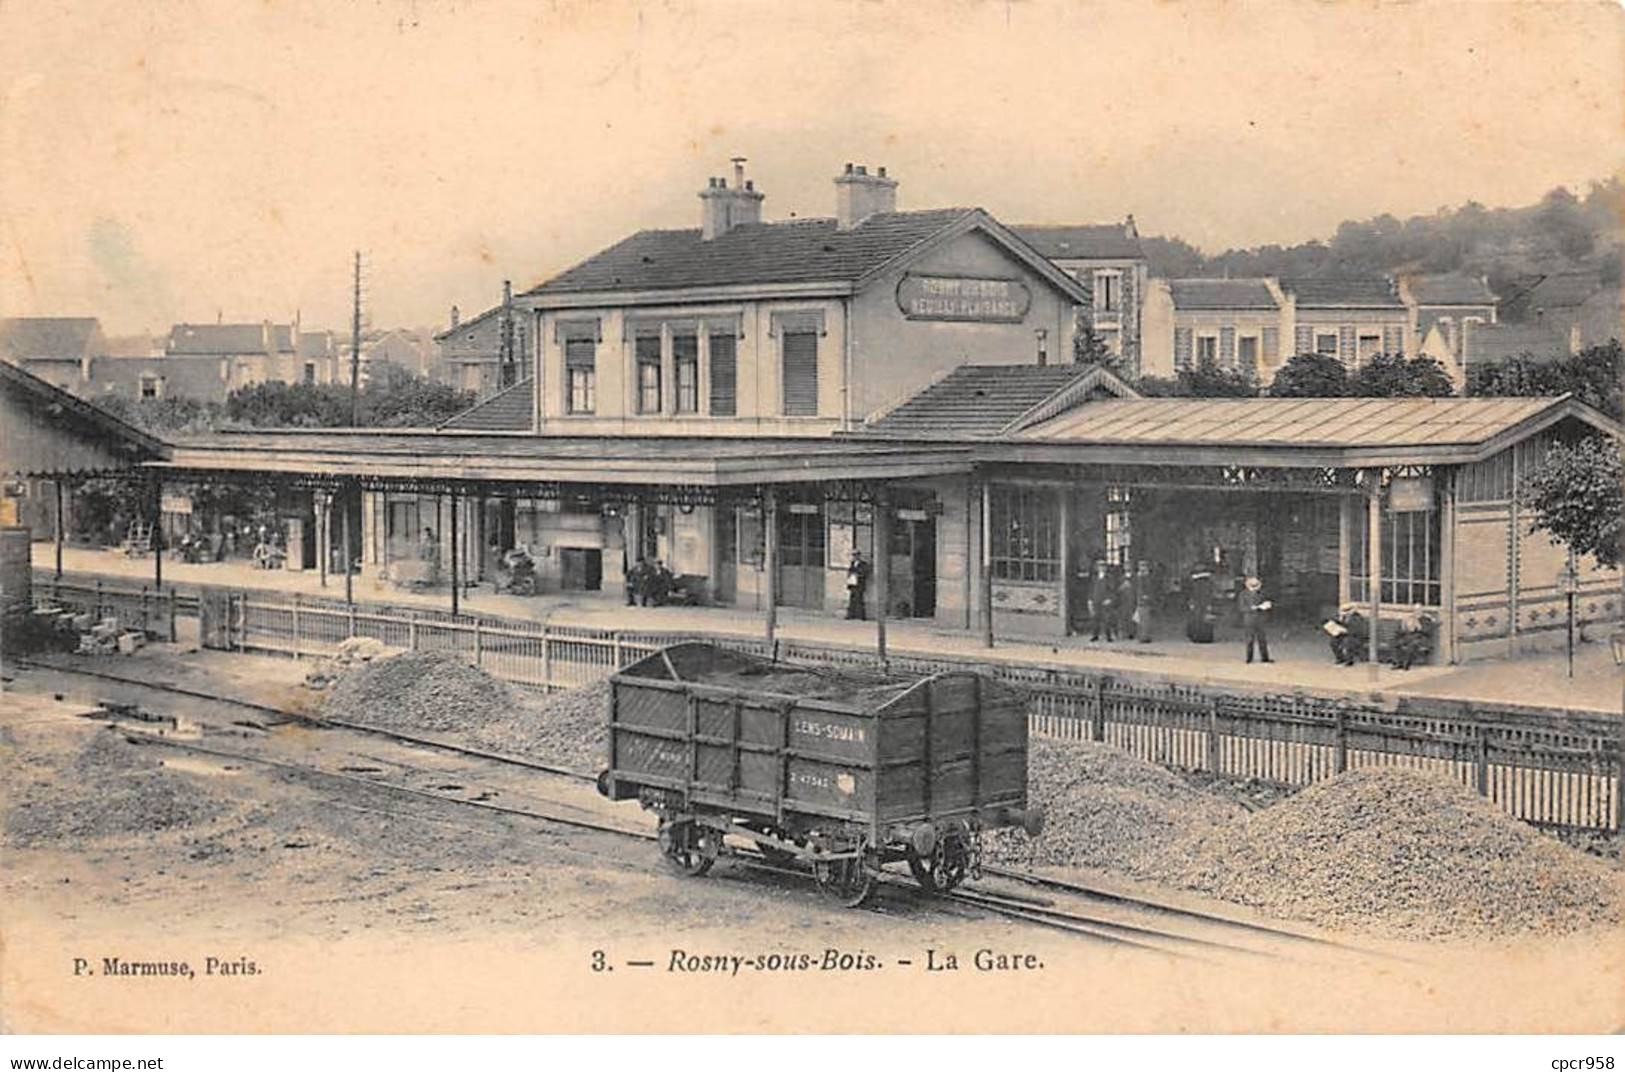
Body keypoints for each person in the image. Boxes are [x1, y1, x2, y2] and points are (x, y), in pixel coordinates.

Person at [1239, 576, 1273, 664]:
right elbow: (1241, 607)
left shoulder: (1262, 593)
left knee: (1262, 639)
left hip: (1260, 618)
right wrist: (1252, 608)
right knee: (1249, 639)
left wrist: (1266, 606)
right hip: (1249, 619)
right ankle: (1249, 658)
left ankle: (1265, 658)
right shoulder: (1243, 594)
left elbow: (1268, 602)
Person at [1087, 560, 1115, 642]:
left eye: (1103, 566)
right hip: (1096, 600)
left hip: (1105, 601)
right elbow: (1091, 589)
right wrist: (1090, 600)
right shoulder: (1094, 578)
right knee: (1095, 619)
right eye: (1100, 566)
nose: (1101, 568)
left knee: (1107, 619)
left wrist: (1109, 599)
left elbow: (1112, 590)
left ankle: (1108, 636)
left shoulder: (1109, 577)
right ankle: (1095, 635)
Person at [845, 549, 871, 620]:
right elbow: (850, 571)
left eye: (856, 555)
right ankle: (850, 615)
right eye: (853, 555)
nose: (854, 557)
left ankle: (862, 616)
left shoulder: (863, 564)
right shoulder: (852, 563)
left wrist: (858, 575)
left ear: (859, 556)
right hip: (853, 583)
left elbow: (865, 573)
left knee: (859, 599)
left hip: (859, 584)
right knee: (852, 599)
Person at [1134, 560, 1155, 644]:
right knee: (1140, 619)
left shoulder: (1148, 577)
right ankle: (1141, 636)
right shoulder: (1139, 577)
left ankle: (1145, 636)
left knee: (1145, 619)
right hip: (1139, 600)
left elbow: (1150, 588)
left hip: (1145, 600)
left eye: (1144, 566)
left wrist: (1147, 595)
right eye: (1141, 566)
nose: (1142, 568)